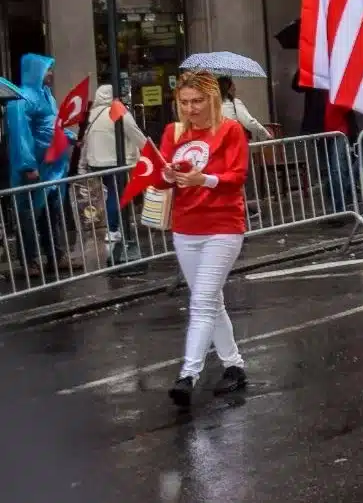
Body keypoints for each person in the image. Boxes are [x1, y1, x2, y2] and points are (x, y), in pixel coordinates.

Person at [161, 71, 252, 407]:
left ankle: (189, 373)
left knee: (201, 302)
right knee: (211, 302)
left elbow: (236, 176)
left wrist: (204, 179)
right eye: (184, 102)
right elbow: (161, 179)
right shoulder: (173, 131)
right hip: (185, 226)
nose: (190, 108)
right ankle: (234, 365)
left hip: (223, 226)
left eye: (197, 101)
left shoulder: (230, 130)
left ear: (212, 98)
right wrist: (166, 174)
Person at [5, 53, 71, 275]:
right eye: (47, 70)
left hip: (51, 167)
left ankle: (56, 256)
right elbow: (20, 136)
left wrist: (68, 136)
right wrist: (28, 165)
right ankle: (30, 260)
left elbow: (53, 126)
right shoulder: (20, 100)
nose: (51, 74)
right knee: (29, 215)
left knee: (52, 212)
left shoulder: (47, 96)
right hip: (34, 170)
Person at [79, 84, 147, 261]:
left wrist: (82, 164)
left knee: (109, 193)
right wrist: (149, 150)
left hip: (96, 161)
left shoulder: (94, 114)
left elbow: (86, 140)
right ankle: (114, 228)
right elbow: (134, 131)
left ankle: (113, 226)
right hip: (114, 161)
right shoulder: (117, 110)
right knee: (116, 193)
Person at [218, 77, 273, 142]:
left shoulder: (212, 105)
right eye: (233, 87)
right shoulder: (234, 103)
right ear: (228, 90)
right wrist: (266, 134)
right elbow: (249, 122)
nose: (235, 89)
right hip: (233, 143)